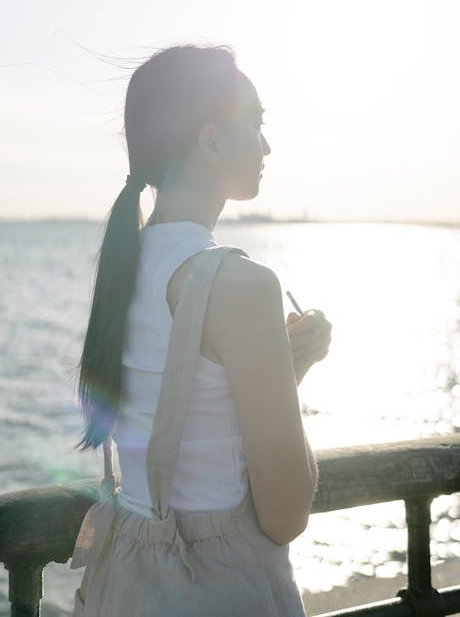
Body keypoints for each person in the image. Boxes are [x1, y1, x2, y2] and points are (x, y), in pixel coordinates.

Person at [70, 44, 332, 616]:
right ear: (211, 142)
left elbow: (185, 416)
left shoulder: (125, 267)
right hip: (216, 586)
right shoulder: (240, 285)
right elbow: (285, 516)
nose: (267, 146)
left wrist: (287, 366)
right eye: (256, 124)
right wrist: (287, 379)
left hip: (130, 582)